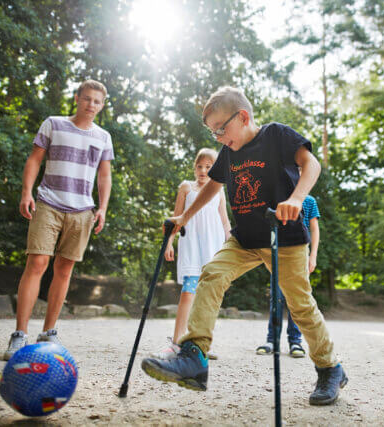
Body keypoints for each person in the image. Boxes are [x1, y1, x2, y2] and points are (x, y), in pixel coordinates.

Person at [141, 86, 347, 406]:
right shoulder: (230, 151)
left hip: (285, 238)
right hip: (245, 238)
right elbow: (214, 187)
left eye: (221, 129)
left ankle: (330, 367)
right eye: (213, 133)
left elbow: (312, 164)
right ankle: (195, 356)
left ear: (243, 117)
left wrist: (296, 198)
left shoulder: (276, 135)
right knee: (211, 273)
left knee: (300, 306)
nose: (219, 138)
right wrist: (184, 217)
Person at [3, 80, 113, 360]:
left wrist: (102, 208)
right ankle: (19, 335)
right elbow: (34, 160)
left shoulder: (103, 137)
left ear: (102, 106)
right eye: (87, 99)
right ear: (77, 98)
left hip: (82, 210)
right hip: (49, 203)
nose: (91, 105)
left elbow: (104, 175)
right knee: (37, 263)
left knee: (64, 271)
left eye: (97, 101)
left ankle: (49, 332)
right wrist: (26, 192)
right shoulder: (53, 124)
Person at [150, 148, 230, 360]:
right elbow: (176, 219)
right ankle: (176, 344)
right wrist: (169, 242)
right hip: (191, 246)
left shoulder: (218, 190)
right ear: (194, 167)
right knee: (188, 292)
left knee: (209, 297)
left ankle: (201, 344)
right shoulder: (186, 187)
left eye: (208, 167)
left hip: (213, 247)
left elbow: (224, 221)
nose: (203, 171)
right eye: (200, 166)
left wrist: (231, 244)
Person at [256, 194, 320, 358]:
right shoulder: (278, 196)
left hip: (299, 255)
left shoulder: (309, 201)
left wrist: (312, 256)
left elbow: (314, 228)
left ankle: (295, 341)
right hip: (279, 253)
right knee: (276, 298)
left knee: (297, 299)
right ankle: (272, 340)